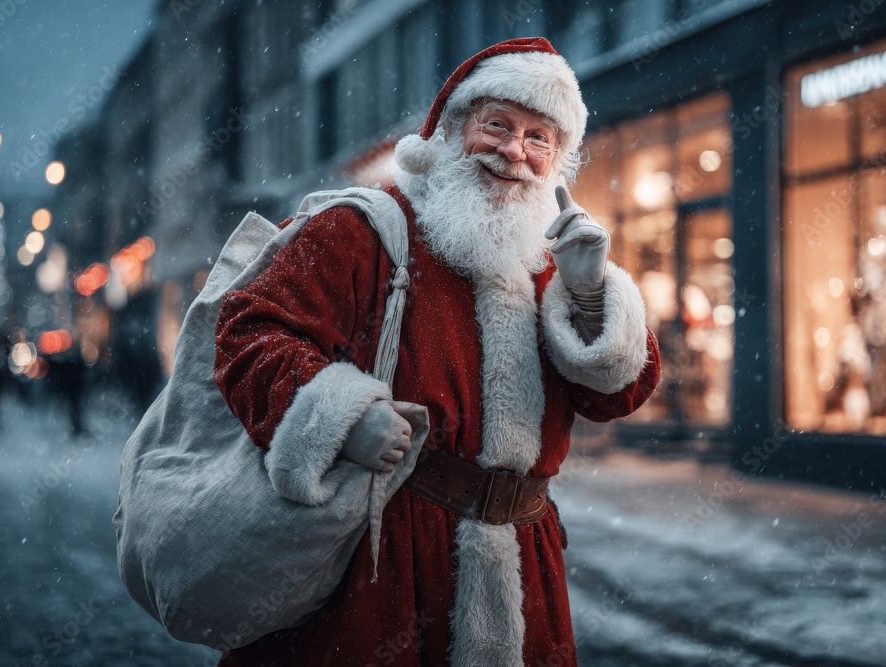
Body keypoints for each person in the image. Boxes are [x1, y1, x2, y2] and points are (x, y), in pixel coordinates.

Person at [213, 38, 661, 667]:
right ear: (451, 132)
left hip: (524, 567)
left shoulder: (551, 261)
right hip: (381, 553)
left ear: (558, 161)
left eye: (539, 138)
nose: (514, 151)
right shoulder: (362, 227)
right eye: (497, 125)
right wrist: (344, 418)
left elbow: (614, 396)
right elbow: (248, 333)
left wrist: (591, 293)